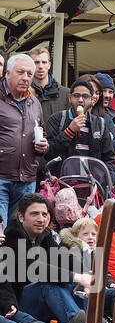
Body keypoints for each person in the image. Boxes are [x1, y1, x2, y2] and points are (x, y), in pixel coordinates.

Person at [4, 193, 90, 323]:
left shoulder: (45, 235)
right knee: (47, 283)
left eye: (44, 214)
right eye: (34, 214)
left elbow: (64, 259)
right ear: (21, 217)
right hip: (18, 306)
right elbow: (35, 269)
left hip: (42, 301)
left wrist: (84, 276)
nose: (41, 219)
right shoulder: (12, 237)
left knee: (76, 287)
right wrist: (77, 276)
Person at [0, 53, 51, 226]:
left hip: (27, 178)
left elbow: (41, 131)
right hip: (1, 177)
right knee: (1, 232)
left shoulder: (34, 103)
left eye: (29, 74)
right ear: (7, 73)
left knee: (19, 234)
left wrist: (43, 145)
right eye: (20, 72)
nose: (25, 78)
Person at [42, 74, 115, 170]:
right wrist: (69, 131)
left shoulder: (100, 124)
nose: (80, 100)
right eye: (76, 96)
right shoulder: (57, 119)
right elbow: (49, 154)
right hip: (63, 180)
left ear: (92, 100)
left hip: (90, 181)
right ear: (70, 98)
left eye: (85, 96)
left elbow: (109, 159)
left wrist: (102, 182)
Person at [28, 45, 69, 122]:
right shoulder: (23, 93)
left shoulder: (66, 94)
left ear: (49, 65)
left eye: (44, 62)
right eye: (36, 62)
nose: (40, 66)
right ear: (30, 65)